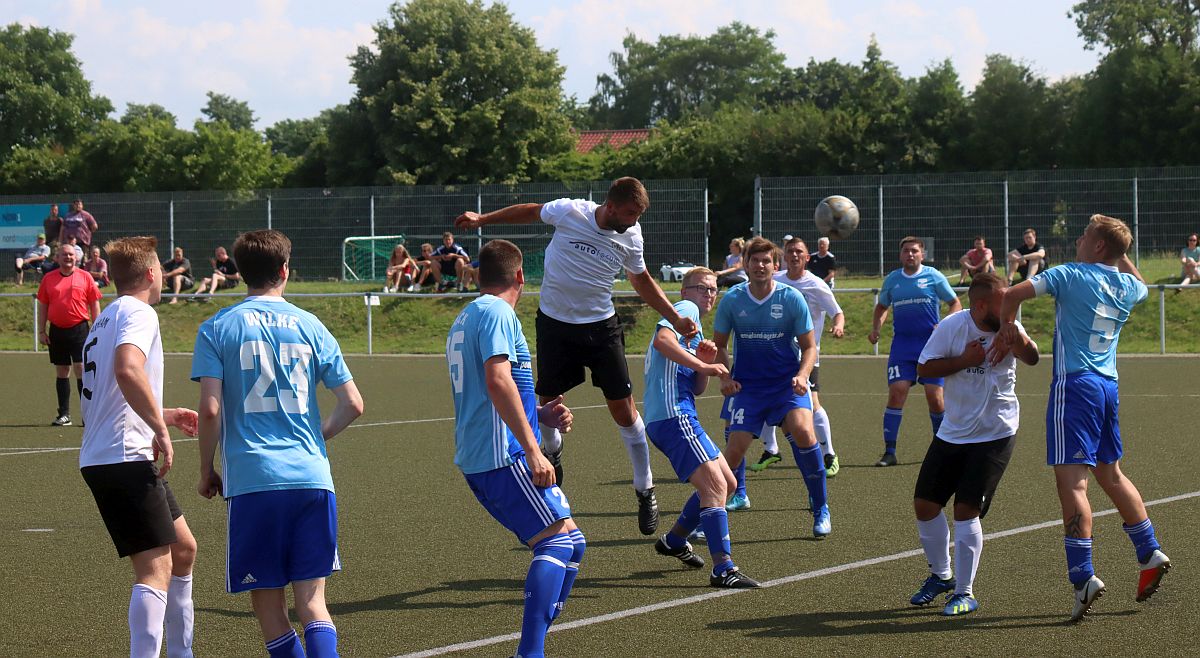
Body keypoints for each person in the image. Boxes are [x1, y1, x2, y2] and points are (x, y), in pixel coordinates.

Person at [455, 177, 699, 536]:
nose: (634, 220)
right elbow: (531, 211)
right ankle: (552, 453)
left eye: (639, 214)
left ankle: (645, 488)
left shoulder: (632, 236)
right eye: (630, 213)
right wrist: (483, 219)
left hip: (601, 328)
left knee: (624, 410)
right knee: (549, 407)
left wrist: (675, 317)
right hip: (555, 325)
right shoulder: (571, 211)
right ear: (610, 205)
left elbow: (641, 279)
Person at [193, 229, 364, 657]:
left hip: (254, 480)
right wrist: (314, 439)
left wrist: (205, 469)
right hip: (311, 476)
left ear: (238, 271)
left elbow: (210, 410)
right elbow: (354, 404)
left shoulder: (217, 326)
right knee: (313, 601)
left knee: (269, 602)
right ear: (285, 270)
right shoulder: (311, 324)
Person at [998, 215, 1171, 622]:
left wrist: (1008, 327)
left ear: (1096, 247)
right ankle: (1149, 552)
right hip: (1108, 387)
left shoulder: (1069, 274)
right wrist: (1122, 253)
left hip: (1074, 387)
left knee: (1073, 482)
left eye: (1085, 236)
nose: (1077, 240)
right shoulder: (1130, 286)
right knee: (1111, 474)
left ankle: (1083, 578)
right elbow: (1142, 283)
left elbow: (1010, 293)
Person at [445, 239, 583, 657]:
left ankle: (534, 642)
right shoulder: (498, 312)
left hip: (486, 451)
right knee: (557, 543)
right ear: (521, 276)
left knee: (572, 543)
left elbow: (489, 389)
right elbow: (497, 380)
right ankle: (530, 652)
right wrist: (533, 448)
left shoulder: (468, 316)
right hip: (501, 454)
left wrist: (538, 413)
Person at [78, 236, 200, 658]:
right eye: (161, 270)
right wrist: (159, 431)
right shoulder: (140, 312)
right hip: (124, 457)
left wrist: (162, 415)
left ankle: (183, 653)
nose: (164, 276)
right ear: (151, 273)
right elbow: (128, 369)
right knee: (155, 568)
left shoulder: (106, 317)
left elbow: (110, 393)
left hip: (114, 454)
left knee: (184, 550)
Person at [908, 273, 1039, 616]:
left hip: (995, 434)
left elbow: (1034, 357)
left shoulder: (1010, 325)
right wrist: (965, 361)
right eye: (1002, 302)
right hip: (953, 431)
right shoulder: (953, 326)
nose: (1009, 308)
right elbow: (924, 368)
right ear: (981, 305)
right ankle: (941, 575)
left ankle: (964, 593)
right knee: (924, 504)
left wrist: (1017, 340)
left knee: (966, 509)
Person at [644, 267, 760, 587]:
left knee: (728, 483)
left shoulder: (693, 329)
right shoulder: (686, 310)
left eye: (713, 290)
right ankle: (723, 568)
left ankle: (675, 540)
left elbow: (695, 388)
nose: (709, 294)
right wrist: (705, 364)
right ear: (684, 292)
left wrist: (702, 365)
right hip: (672, 415)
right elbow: (661, 340)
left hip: (679, 413)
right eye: (702, 288)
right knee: (715, 488)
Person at [713, 237, 831, 538]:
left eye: (767, 261)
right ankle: (712, 512)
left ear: (774, 266)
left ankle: (820, 507)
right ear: (746, 265)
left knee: (804, 432)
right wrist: (726, 378)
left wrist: (803, 376)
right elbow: (719, 346)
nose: (761, 266)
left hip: (785, 385)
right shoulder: (732, 300)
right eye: (755, 261)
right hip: (749, 388)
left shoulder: (792, 298)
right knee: (735, 448)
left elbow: (809, 347)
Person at [869, 236, 962, 466]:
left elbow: (955, 303)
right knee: (897, 393)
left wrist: (946, 323)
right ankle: (890, 452)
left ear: (922, 254)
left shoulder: (933, 276)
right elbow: (882, 306)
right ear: (900, 255)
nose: (910, 254)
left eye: (914, 251)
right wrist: (876, 328)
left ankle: (942, 451)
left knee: (935, 398)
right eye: (906, 251)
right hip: (902, 346)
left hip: (931, 346)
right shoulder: (893, 280)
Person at [758, 237, 846, 477]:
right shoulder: (774, 281)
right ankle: (771, 450)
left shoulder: (816, 285)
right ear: (783, 258)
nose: (794, 255)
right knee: (765, 400)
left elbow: (837, 313)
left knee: (813, 403)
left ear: (807, 258)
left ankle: (829, 454)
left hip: (806, 357)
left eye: (799, 252)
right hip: (775, 356)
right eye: (790, 252)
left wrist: (838, 326)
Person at [37, 243, 103, 426]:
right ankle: (64, 414)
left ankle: (86, 415)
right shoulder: (48, 279)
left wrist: (97, 329)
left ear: (77, 258)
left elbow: (94, 304)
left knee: (81, 369)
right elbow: (43, 305)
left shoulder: (86, 277)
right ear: (57, 257)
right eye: (64, 254)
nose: (68, 257)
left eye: (71, 255)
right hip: (57, 330)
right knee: (62, 371)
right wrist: (42, 330)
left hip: (79, 329)